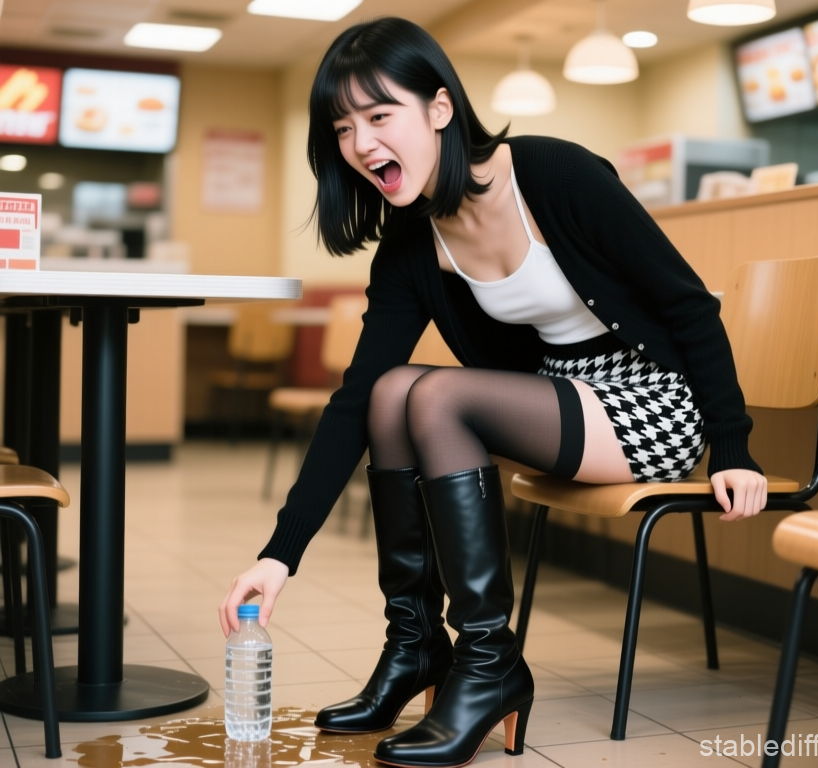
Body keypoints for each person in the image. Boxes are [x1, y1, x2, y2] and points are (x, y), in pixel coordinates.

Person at [219, 16, 767, 768]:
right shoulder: (413, 243)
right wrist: (280, 555)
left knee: (437, 397)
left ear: (440, 109)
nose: (361, 143)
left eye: (380, 116)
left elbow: (688, 305)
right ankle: (414, 646)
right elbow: (353, 398)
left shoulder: (556, 175)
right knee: (390, 392)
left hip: (654, 402)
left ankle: (488, 663)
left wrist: (732, 445)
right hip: (561, 397)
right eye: (344, 128)